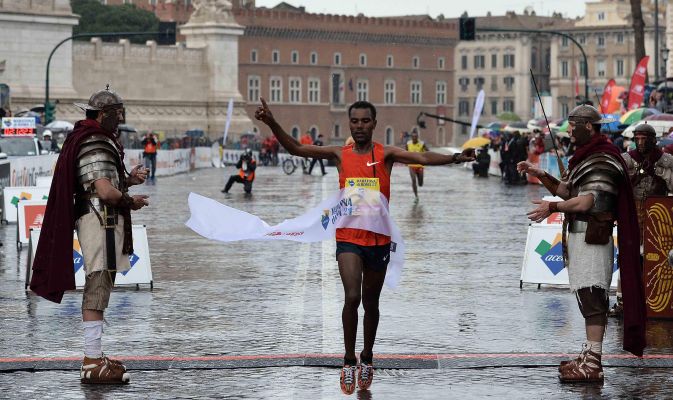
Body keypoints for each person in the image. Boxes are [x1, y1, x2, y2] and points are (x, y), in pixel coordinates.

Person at [254, 98, 474, 395]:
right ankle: (348, 361)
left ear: (374, 124)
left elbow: (421, 158)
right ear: (349, 124)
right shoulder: (339, 154)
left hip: (379, 240)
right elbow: (296, 149)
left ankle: (367, 357)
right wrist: (271, 122)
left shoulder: (386, 154)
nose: (359, 126)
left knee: (371, 304)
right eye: (355, 121)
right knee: (352, 297)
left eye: (365, 121)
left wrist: (456, 157)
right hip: (348, 238)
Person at [29, 86, 150, 384]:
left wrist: (128, 180)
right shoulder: (95, 141)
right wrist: (130, 200)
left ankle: (94, 356)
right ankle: (91, 360)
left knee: (101, 283)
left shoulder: (94, 139)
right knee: (97, 284)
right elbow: (104, 191)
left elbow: (102, 182)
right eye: (117, 113)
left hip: (101, 219)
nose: (120, 118)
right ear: (103, 113)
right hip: (100, 220)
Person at [518, 104, 646, 383]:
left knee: (593, 296)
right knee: (587, 296)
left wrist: (552, 207)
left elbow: (587, 201)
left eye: (573, 126)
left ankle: (594, 362)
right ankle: (589, 353)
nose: (569, 131)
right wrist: (540, 173)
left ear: (588, 126)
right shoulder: (587, 157)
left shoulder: (602, 159)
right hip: (581, 235)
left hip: (593, 236)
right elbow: (568, 191)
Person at [608, 123, 673, 317]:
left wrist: (658, 175)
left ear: (653, 140)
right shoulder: (626, 159)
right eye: (638, 139)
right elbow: (616, 186)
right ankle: (623, 302)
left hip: (657, 215)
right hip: (632, 213)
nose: (641, 142)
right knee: (628, 258)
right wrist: (635, 177)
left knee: (657, 259)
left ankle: (653, 300)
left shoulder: (667, 160)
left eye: (645, 139)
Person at [405, 131, 429, 201]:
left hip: (420, 165)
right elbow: (405, 153)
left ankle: (420, 183)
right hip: (411, 165)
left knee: (420, 184)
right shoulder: (408, 144)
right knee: (413, 180)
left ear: (417, 137)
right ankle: (416, 196)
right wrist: (405, 161)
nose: (414, 138)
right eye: (413, 137)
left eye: (415, 137)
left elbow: (428, 151)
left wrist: (426, 158)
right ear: (411, 137)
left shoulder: (422, 144)